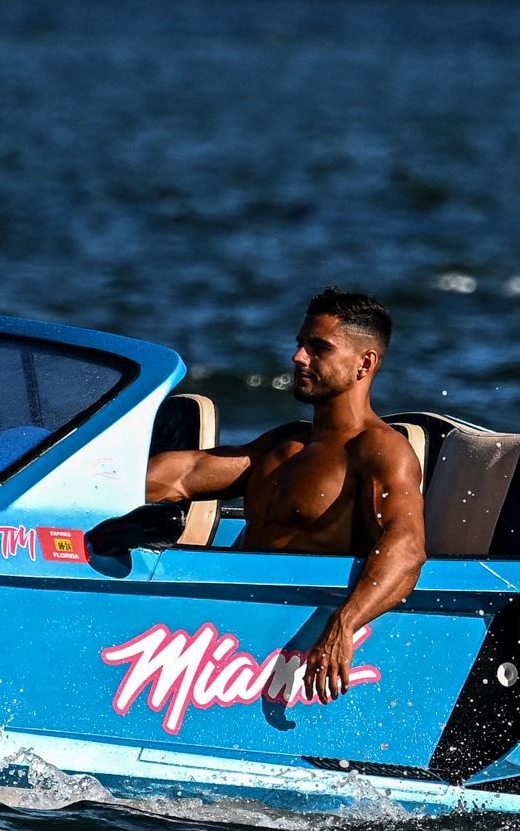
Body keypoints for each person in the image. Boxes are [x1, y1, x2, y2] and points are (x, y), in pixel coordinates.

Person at [146, 289, 428, 704]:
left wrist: (343, 626)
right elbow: (184, 474)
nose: (298, 357)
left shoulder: (378, 450)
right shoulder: (284, 445)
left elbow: (407, 547)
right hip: (228, 639)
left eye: (318, 348)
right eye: (300, 344)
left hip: (289, 650)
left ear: (364, 363)